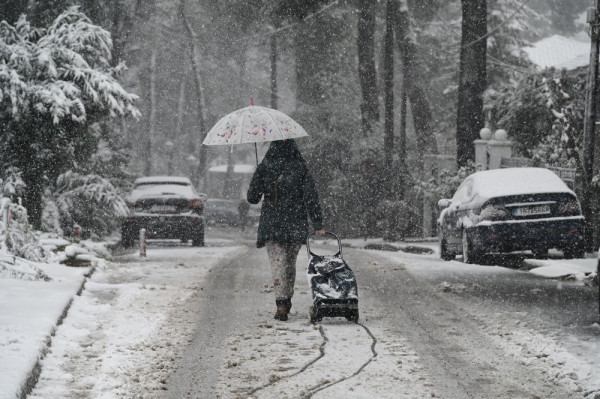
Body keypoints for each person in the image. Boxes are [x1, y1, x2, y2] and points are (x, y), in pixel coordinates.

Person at [247, 139, 325, 321]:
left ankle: (281, 303)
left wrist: (259, 177)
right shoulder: (300, 167)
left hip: (272, 224)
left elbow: (252, 198)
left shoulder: (265, 167)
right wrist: (318, 223)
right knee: (289, 264)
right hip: (295, 224)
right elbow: (311, 196)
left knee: (277, 264)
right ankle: (286, 298)